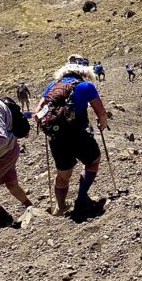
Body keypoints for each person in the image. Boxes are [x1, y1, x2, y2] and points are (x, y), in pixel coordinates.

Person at [36, 61, 110, 220]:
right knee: (93, 160)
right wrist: (102, 124)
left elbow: (37, 113)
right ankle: (82, 196)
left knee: (63, 174)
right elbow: (101, 113)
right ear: (83, 73)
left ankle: (61, 206)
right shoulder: (85, 86)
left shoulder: (52, 86)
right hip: (78, 134)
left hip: (56, 137)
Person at [0, 89, 33, 228]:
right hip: (10, 150)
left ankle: (3, 215)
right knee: (11, 183)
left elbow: (1, 139)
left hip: (0, 156)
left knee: (11, 182)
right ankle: (30, 207)